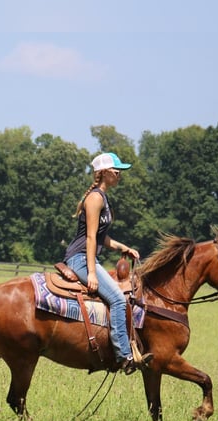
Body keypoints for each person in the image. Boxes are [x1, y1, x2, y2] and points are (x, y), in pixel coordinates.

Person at [64, 152, 144, 375]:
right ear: (104, 173)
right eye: (117, 171)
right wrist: (91, 272)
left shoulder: (103, 198)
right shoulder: (95, 198)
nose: (120, 175)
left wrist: (123, 247)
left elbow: (101, 237)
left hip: (87, 256)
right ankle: (123, 356)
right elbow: (90, 238)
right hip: (80, 258)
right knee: (119, 300)